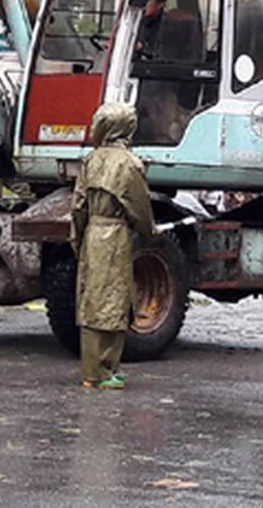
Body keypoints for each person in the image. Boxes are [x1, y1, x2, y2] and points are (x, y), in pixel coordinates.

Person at [71, 102, 156, 389]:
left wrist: (78, 239)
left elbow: (78, 206)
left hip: (92, 234)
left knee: (91, 301)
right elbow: (139, 207)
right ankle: (105, 371)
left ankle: (90, 370)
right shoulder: (130, 164)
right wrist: (148, 231)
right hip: (116, 236)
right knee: (115, 300)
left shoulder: (91, 161)